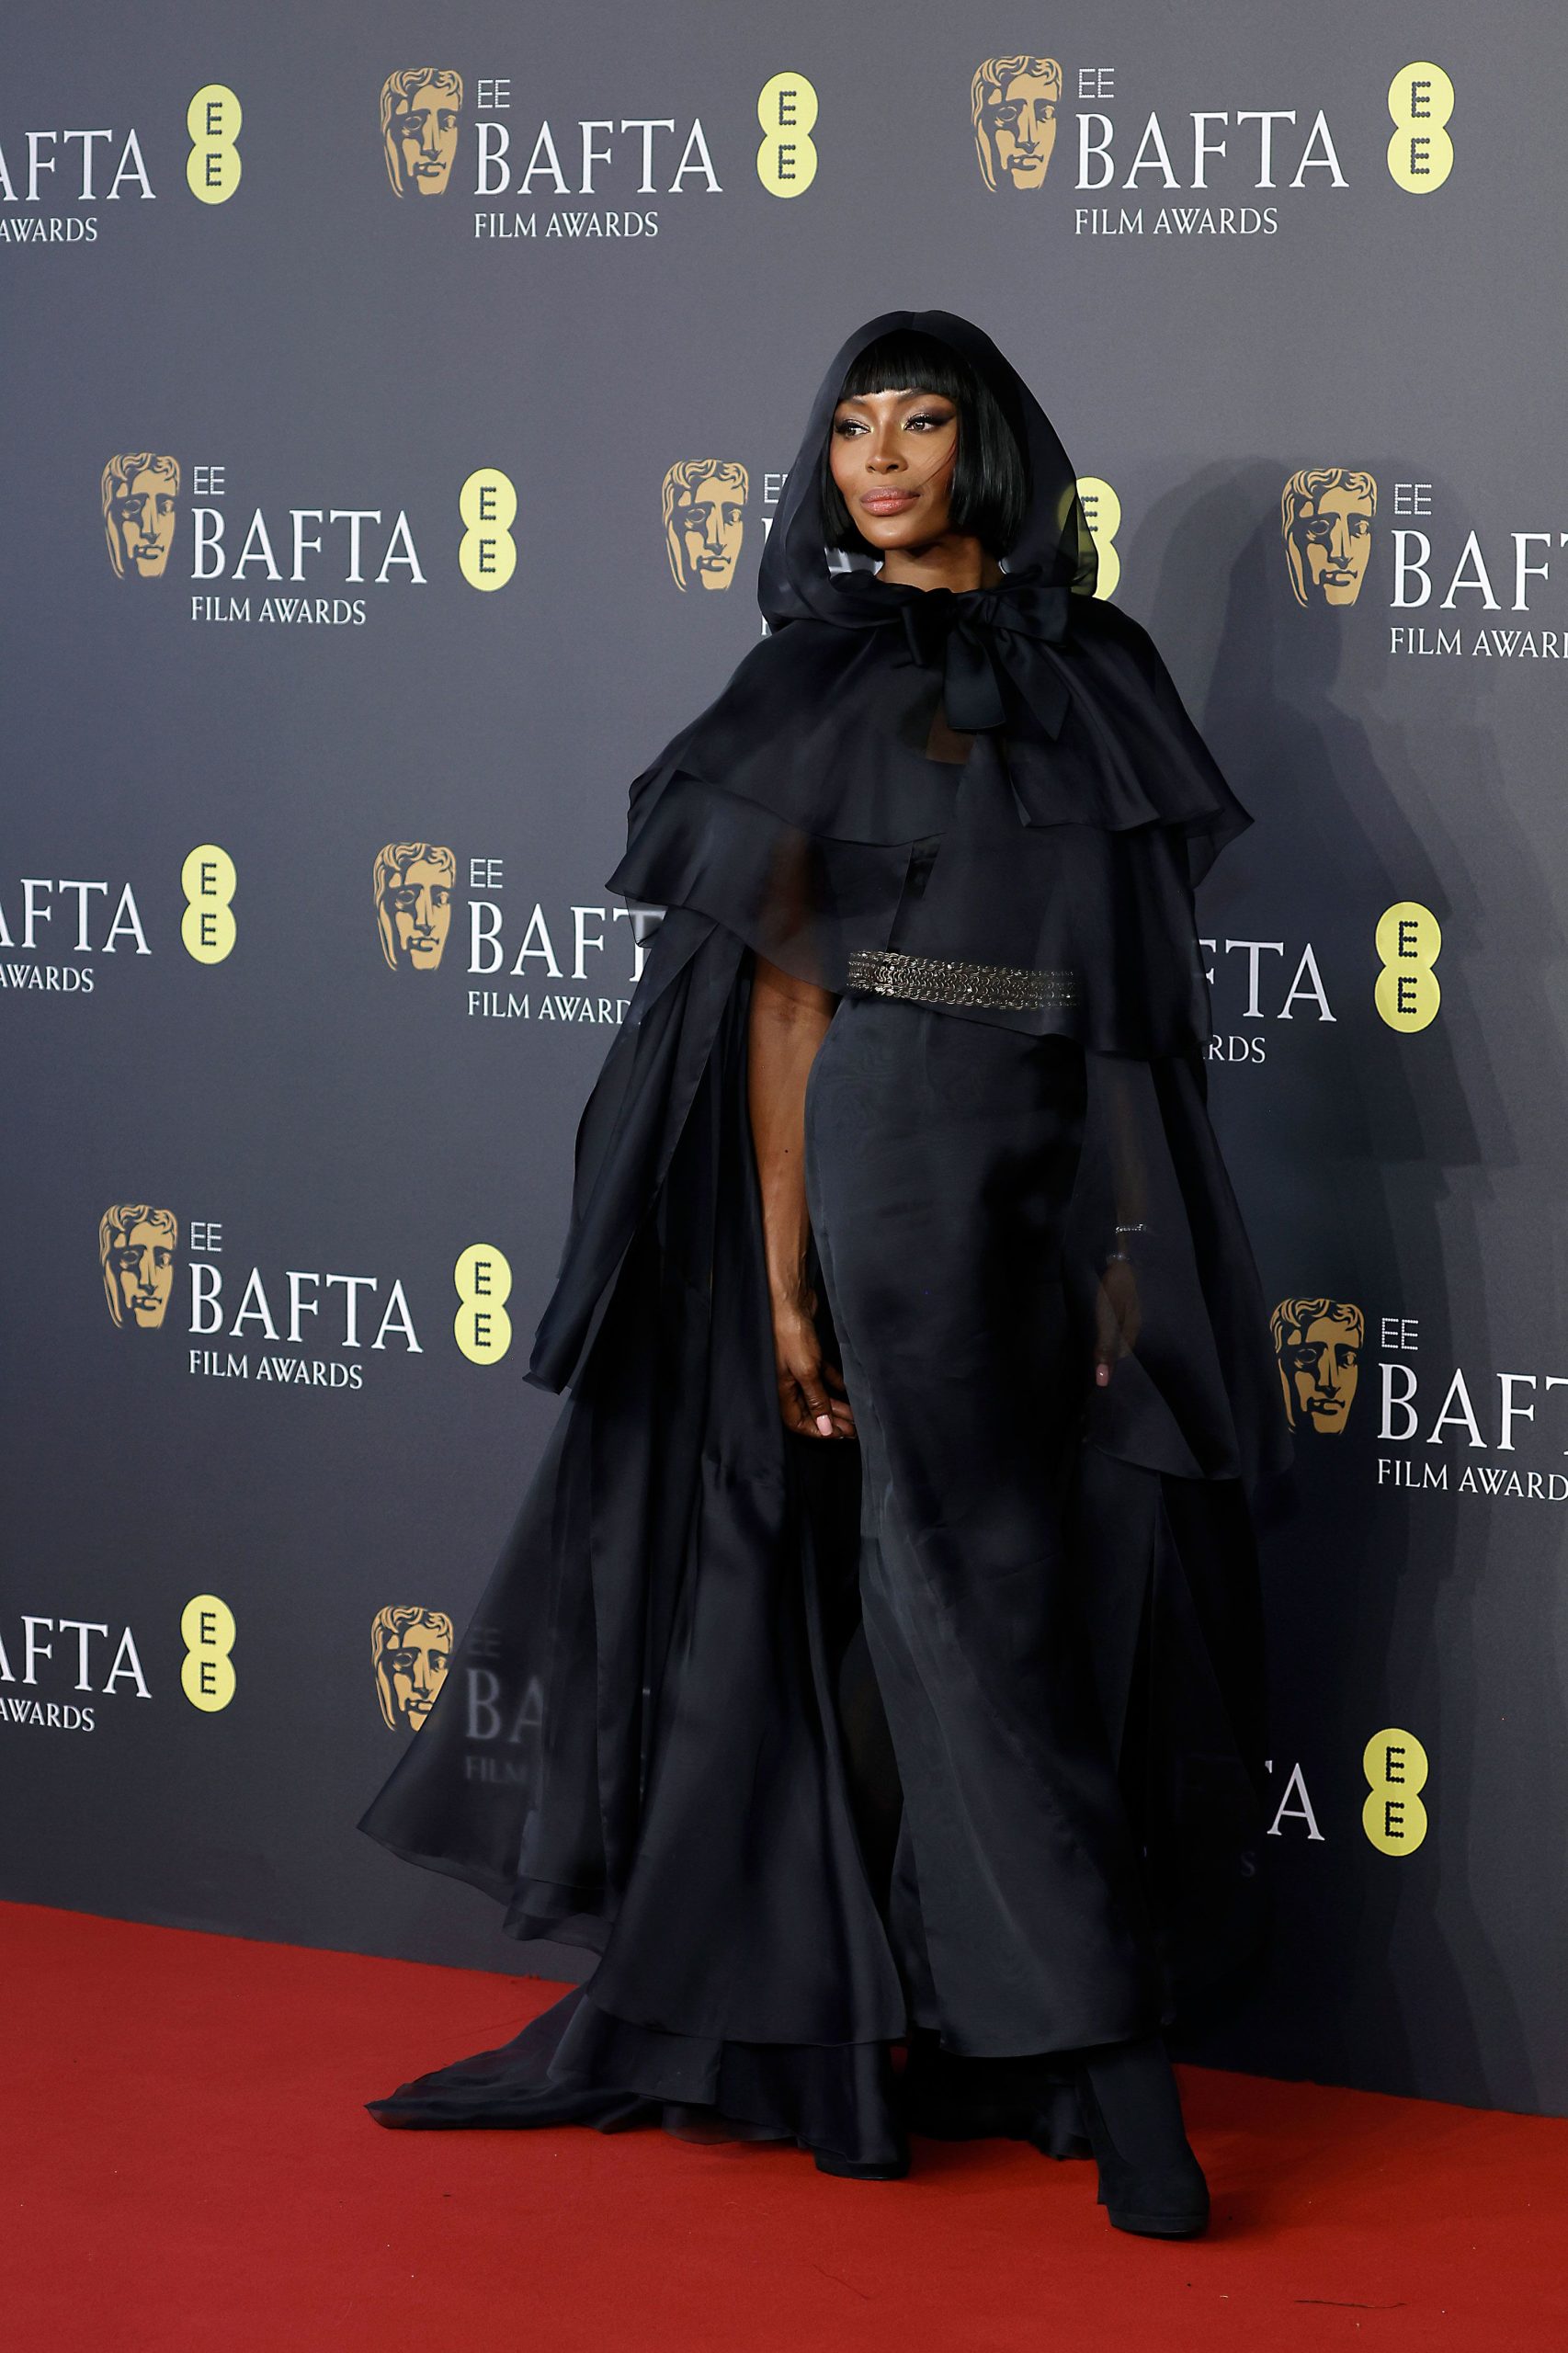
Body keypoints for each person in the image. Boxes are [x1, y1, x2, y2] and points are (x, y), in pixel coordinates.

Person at [358, 309, 1294, 2238]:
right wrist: (786, 1277)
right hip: (895, 1144)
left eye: (919, 420)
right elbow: (784, 1009)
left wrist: (1130, 1236)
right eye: (851, 424)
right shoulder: (809, 677)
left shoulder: (1101, 665)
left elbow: (1132, 1001)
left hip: (1067, 1153)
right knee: (964, 1582)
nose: (876, 457)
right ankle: (1116, 2064)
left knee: (1057, 1573)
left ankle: (972, 2033)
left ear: (985, 447)